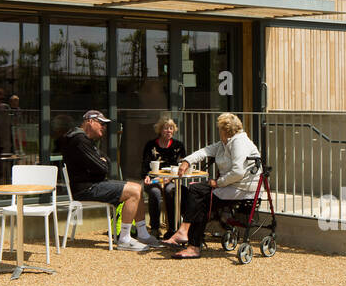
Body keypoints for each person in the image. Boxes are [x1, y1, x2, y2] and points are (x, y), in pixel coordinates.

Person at [56, 110, 160, 250]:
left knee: (138, 187)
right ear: (90, 121)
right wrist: (101, 162)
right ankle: (124, 239)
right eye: (101, 123)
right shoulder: (79, 140)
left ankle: (142, 234)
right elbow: (103, 167)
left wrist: (101, 162)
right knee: (133, 191)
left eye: (105, 125)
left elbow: (106, 162)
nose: (104, 127)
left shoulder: (85, 140)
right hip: (87, 188)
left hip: (94, 184)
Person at [162, 113, 260, 259]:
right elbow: (204, 151)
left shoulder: (239, 143)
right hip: (230, 187)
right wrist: (187, 162)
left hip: (242, 189)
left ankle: (188, 236)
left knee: (198, 194)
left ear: (224, 130)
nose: (218, 132)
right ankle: (189, 238)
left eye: (219, 129)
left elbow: (238, 172)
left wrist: (218, 183)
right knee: (196, 195)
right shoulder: (225, 143)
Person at [141, 115, 186, 236]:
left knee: (170, 191)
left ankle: (172, 228)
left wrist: (170, 178)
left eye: (171, 128)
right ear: (160, 130)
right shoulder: (151, 145)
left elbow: (181, 166)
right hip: (153, 179)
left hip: (171, 180)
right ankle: (155, 228)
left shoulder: (178, 146)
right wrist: (146, 176)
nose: (169, 131)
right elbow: (145, 165)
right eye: (166, 128)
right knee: (154, 192)